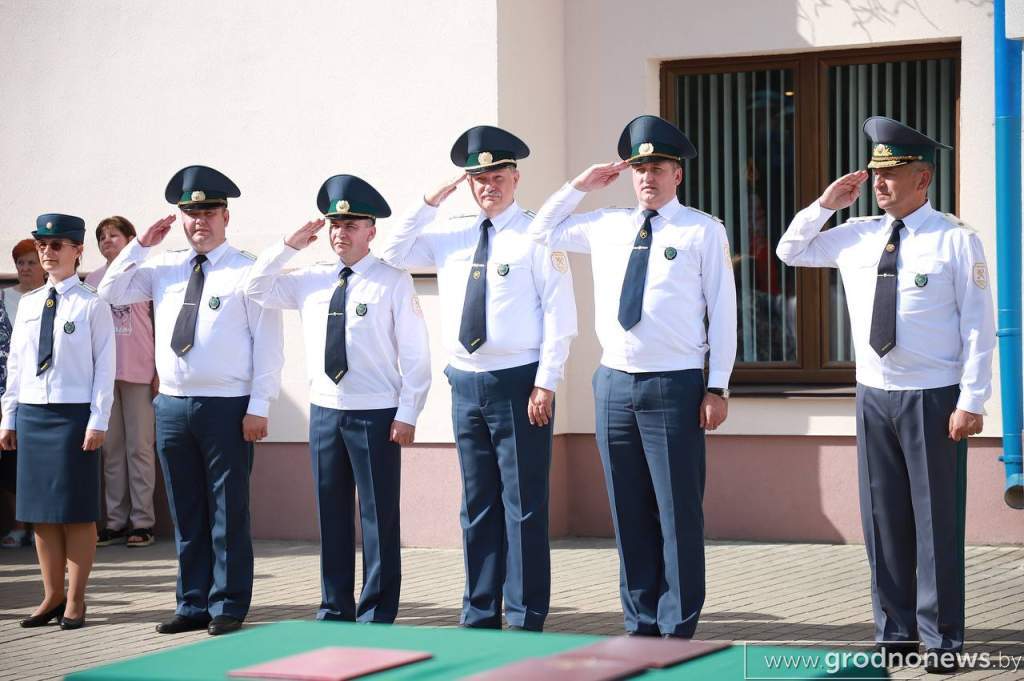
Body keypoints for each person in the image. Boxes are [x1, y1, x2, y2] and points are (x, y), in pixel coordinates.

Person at [776, 116, 995, 674]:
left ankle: (942, 640)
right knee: (883, 520)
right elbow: (790, 251)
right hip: (874, 395)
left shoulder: (954, 239)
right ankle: (894, 634)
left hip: (933, 397)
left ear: (923, 178)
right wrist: (826, 203)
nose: (880, 183)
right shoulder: (857, 234)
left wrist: (972, 400)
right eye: (876, 173)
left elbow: (977, 325)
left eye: (892, 173)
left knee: (934, 521)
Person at [529, 115, 737, 639]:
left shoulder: (702, 230)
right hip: (615, 384)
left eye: (659, 168)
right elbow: (537, 231)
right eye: (640, 168)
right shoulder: (605, 224)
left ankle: (678, 623)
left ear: (677, 175)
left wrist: (718, 385)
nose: (648, 177)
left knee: (676, 510)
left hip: (675, 384)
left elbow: (725, 311)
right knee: (628, 509)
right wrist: (580, 185)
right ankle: (641, 620)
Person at [377, 126, 577, 631]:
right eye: (478, 177)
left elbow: (560, 314)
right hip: (465, 382)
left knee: (523, 503)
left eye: (497, 175)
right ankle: (480, 609)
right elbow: (393, 253)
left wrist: (546, 380)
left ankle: (526, 612)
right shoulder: (453, 234)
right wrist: (428, 202)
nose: (488, 185)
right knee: (476, 504)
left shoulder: (537, 232)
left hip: (518, 382)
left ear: (516, 177)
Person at [97, 165, 284, 636]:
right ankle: (192, 602)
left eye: (207, 212)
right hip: (174, 404)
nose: (199, 221)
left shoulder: (247, 269)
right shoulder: (163, 267)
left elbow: (268, 343)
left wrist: (260, 404)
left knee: (227, 509)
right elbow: (108, 290)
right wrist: (140, 245)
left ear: (226, 217)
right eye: (190, 213)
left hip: (227, 404)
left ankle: (227, 604)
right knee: (186, 510)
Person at [246, 174, 431, 623]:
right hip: (326, 413)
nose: (340, 233)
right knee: (331, 517)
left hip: (376, 414)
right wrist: (289, 245)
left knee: (377, 519)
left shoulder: (391, 281)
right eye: (334, 225)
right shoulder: (310, 279)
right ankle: (334, 606)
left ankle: (377, 611)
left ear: (371, 231)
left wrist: (408, 412)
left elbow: (416, 354)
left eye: (351, 225)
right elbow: (254, 288)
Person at [0, 214, 116, 630]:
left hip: (73, 415)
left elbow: (105, 367)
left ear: (76, 250)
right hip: (33, 413)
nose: (47, 253)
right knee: (42, 512)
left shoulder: (92, 303)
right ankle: (51, 596)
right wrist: (8, 416)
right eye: (42, 246)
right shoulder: (29, 304)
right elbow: (16, 367)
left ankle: (77, 599)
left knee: (76, 511)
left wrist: (98, 419)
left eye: (56, 246)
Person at [85, 217, 158, 548]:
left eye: (114, 235)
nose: (106, 241)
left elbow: (162, 325)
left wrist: (160, 371)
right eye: (101, 237)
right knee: (111, 451)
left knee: (139, 448)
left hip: (140, 373)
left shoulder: (145, 275)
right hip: (103, 377)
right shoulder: (93, 280)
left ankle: (142, 522)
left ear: (131, 239)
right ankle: (115, 522)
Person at [1, 239, 46, 549]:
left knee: (40, 459)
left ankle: (42, 526)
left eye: (32, 262)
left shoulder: (52, 298)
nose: (26, 268)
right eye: (21, 263)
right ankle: (18, 524)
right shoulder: (4, 299)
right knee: (10, 460)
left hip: (44, 392)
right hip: (7, 390)